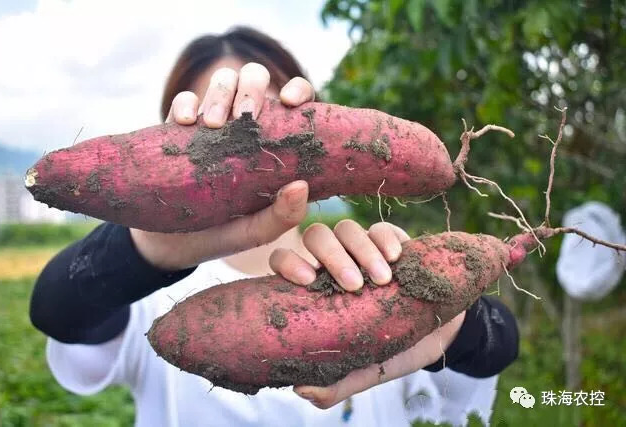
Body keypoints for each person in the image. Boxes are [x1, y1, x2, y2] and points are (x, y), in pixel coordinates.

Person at [30, 26, 519, 426]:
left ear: (317, 122)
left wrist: (439, 309)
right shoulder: (151, 302)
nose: (244, 142)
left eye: (267, 112)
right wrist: (146, 250)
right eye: (212, 122)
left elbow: (497, 346)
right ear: (170, 144)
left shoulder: (374, 268)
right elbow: (58, 310)